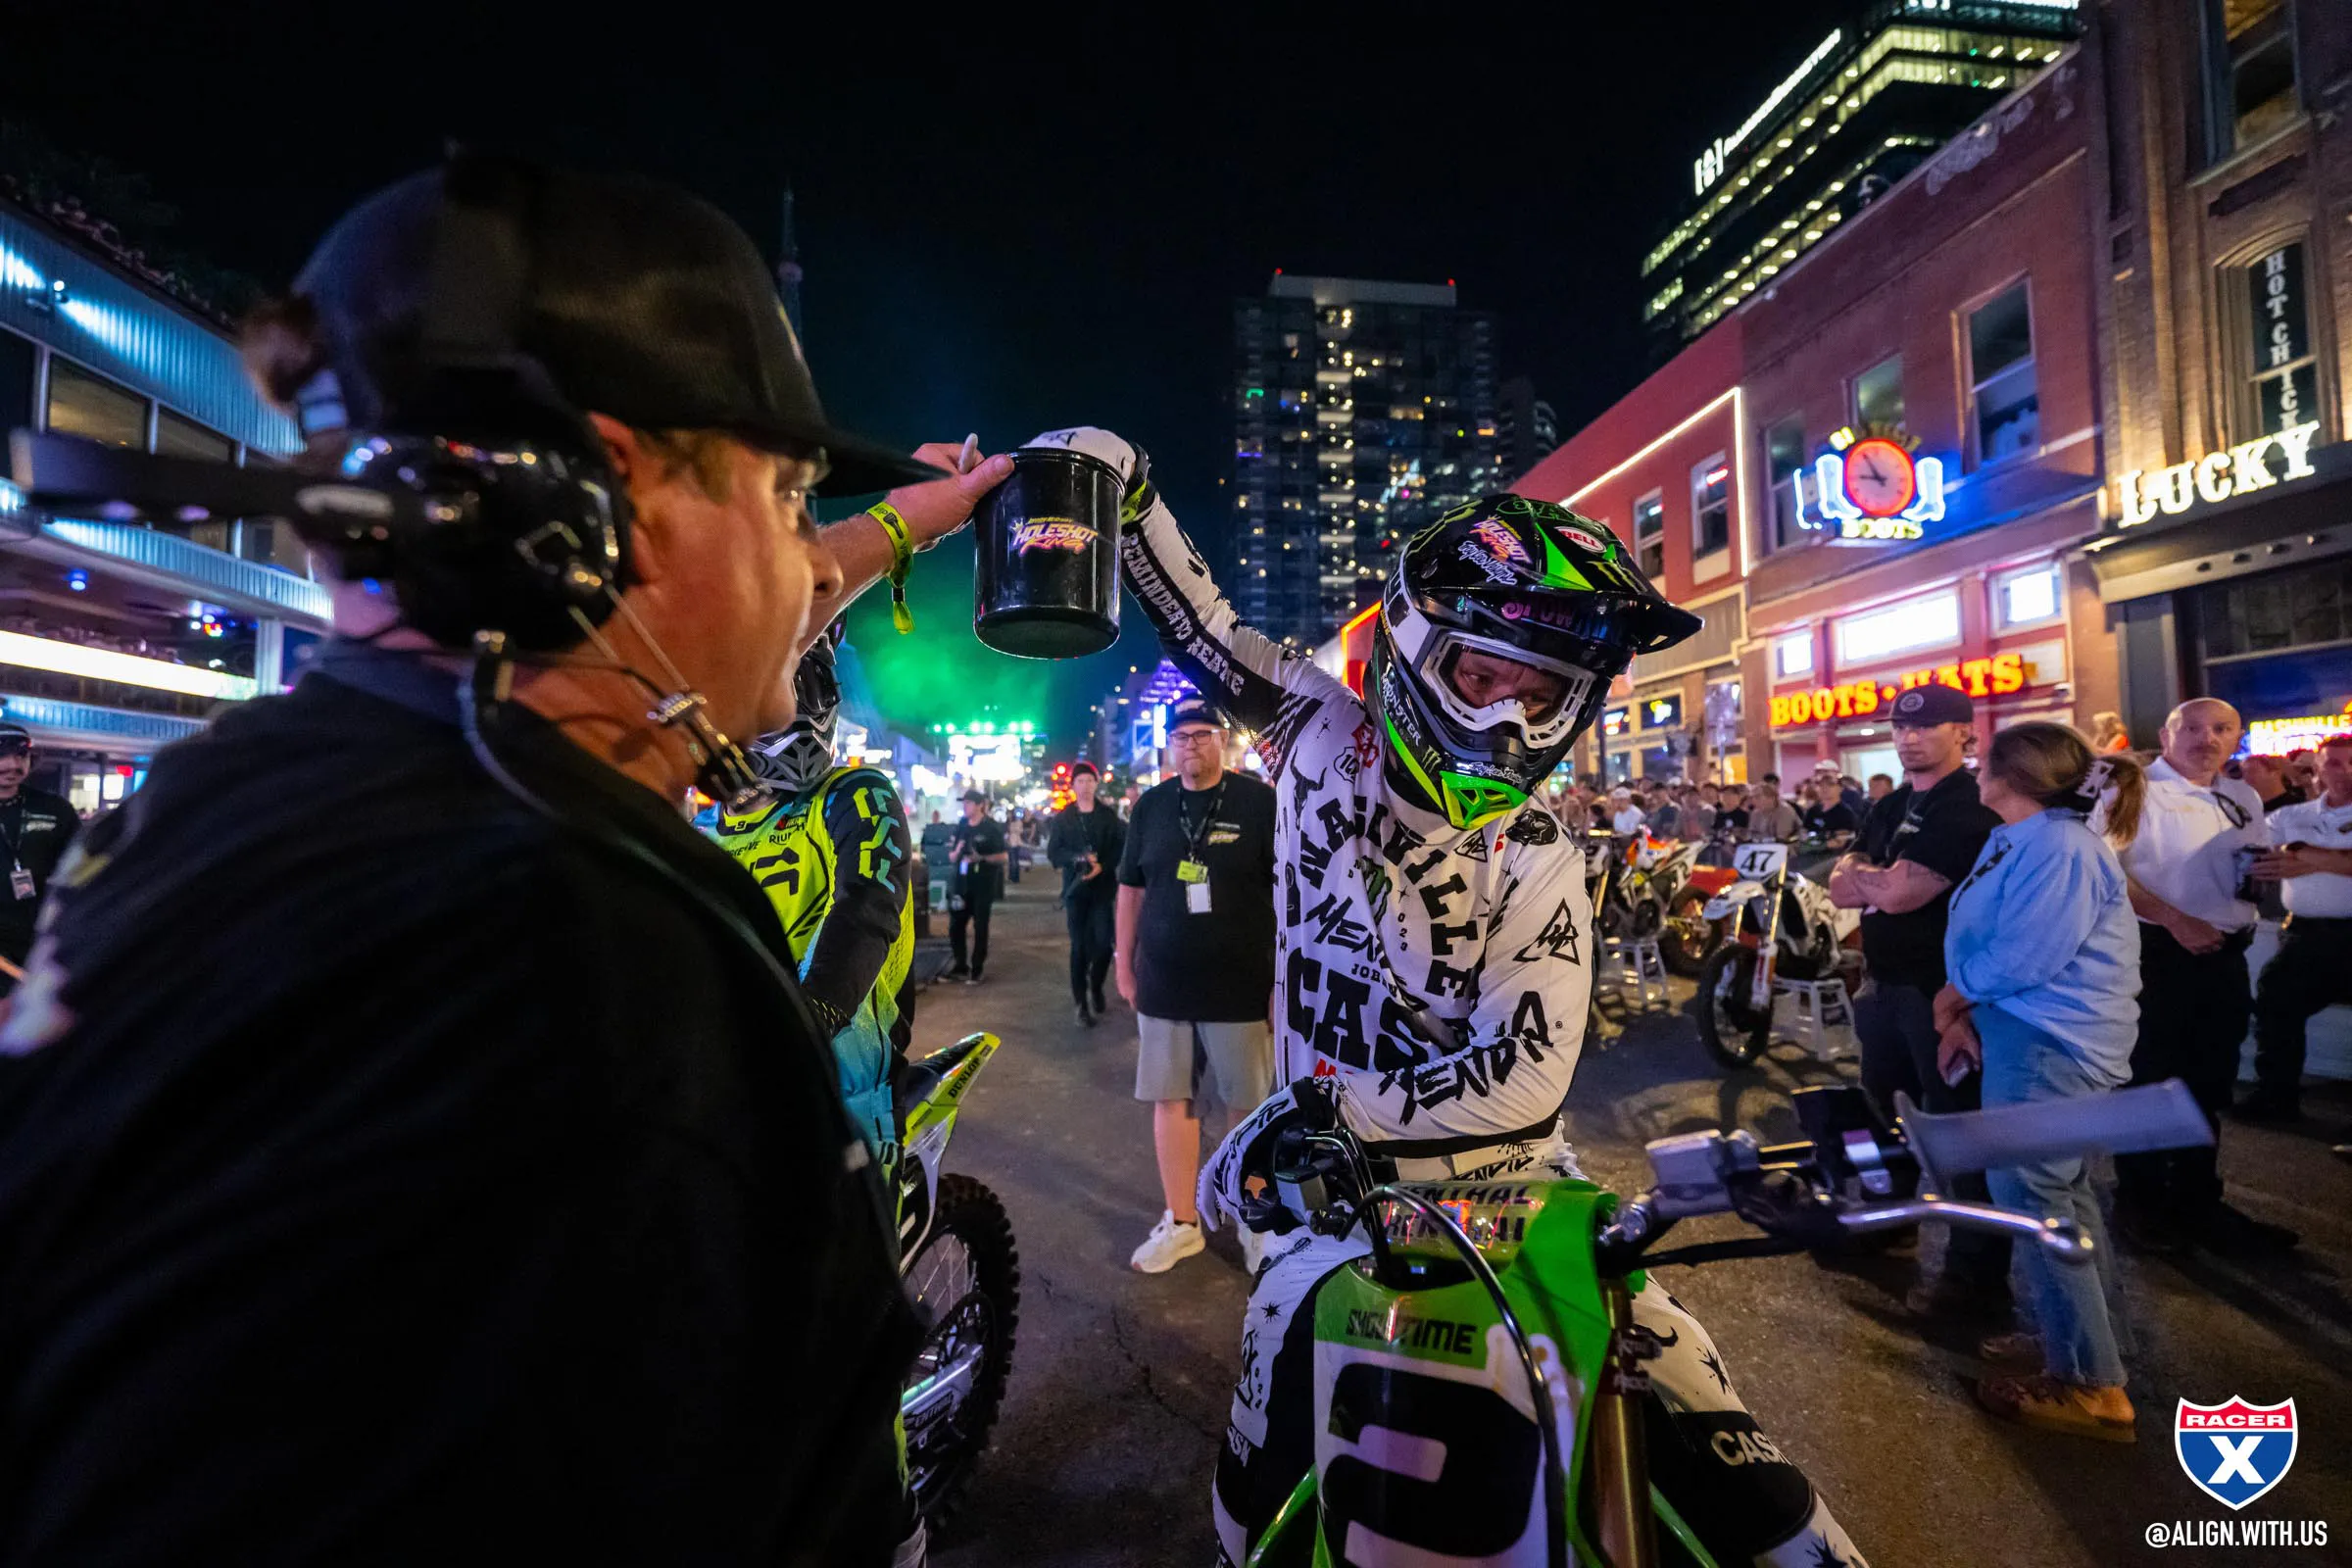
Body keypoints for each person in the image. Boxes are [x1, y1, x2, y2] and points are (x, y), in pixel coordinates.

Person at [0, 159, 1017, 1565]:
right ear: (600, 507)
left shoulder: (209, 804)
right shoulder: (586, 977)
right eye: (787, 502)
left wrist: (943, 505)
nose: (806, 574)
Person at [1069, 425, 1870, 1568]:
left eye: (1541, 691)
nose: (1506, 718)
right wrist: (1128, 483)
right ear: (1412, 648)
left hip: (1509, 1188)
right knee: (1254, 1518)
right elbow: (1203, 628)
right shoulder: (1314, 731)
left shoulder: (1539, 844)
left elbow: (1527, 1073)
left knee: (1748, 1483)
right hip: (1329, 1210)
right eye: (1483, 675)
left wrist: (1307, 1122)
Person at [1934, 723, 2145, 1442]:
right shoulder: (2024, 838)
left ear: (2011, 774)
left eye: (1983, 759)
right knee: (2061, 1195)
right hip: (2030, 1035)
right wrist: (1967, 1003)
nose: (1974, 768)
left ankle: (2091, 1384)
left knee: (2039, 1198)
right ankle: (2081, 1340)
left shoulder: (2060, 846)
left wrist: (1956, 993)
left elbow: (2028, 954)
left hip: (2055, 1043)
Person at [1829, 682, 2008, 1319]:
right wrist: (1872, 879)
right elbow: (1844, 870)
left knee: (1959, 1133)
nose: (1908, 737)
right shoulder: (1897, 800)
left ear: (1964, 733)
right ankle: (1890, 1223)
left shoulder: (1969, 806)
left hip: (1945, 997)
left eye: (1926, 727)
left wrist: (1869, 882)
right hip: (1884, 983)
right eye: (1900, 728)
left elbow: (1899, 893)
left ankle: (1974, 1275)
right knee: (1879, 1120)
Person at [711, 621, 914, 1175]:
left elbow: (866, 904)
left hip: (844, 1077)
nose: (797, 707)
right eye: (777, 688)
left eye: (811, 685)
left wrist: (814, 1013)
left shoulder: (854, 792)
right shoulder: (700, 829)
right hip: (728, 1074)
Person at [2104, 698, 2296, 1255]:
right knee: (2149, 1081)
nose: (2205, 738)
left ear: (2236, 738)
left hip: (2221, 954)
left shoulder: (2241, 794)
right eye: (2190, 727)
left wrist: (2264, 873)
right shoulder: (2133, 790)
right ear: (2166, 735)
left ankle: (2196, 1202)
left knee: (2208, 1082)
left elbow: (2237, 869)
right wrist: (2173, 918)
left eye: (2220, 729)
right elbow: (2104, 869)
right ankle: (2140, 1203)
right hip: (2157, 953)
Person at [1114, 698, 1279, 1273]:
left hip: (1241, 983)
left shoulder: (1261, 803)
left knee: (1248, 1107)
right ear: (1170, 745)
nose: (1192, 745)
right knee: (1173, 1101)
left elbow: (1288, 897)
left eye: (1203, 734)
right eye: (1181, 737)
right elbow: (1130, 889)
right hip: (1164, 982)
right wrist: (1124, 963)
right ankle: (1182, 1222)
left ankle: (1251, 1220)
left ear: (1224, 741)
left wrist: (1281, 981)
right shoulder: (1151, 808)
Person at [2243, 732, 2352, 1123]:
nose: (2345, 771)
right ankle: (2276, 1099)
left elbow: (2286, 856)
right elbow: (2255, 854)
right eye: (2336, 762)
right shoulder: (2291, 817)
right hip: (2306, 935)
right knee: (2276, 1006)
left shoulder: (2294, 829)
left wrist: (2305, 854)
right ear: (2317, 766)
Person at [0, 724, 79, 996]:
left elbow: (78, 871)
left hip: (39, 938)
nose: (12, 764)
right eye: (1, 755)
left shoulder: (54, 809)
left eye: (21, 756)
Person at [1049, 760, 1125, 1025]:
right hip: (1076, 891)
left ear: (1096, 783)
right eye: (1080, 781)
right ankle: (1080, 1003)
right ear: (1073, 786)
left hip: (1103, 889)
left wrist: (1103, 865)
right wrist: (1077, 859)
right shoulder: (1064, 818)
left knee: (1104, 945)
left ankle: (1096, 986)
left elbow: (1120, 846)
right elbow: (1054, 852)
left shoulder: (1108, 815)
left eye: (1089, 781)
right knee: (1079, 947)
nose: (1085, 786)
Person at [944, 789, 1006, 984]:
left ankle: (977, 967)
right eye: (964, 803)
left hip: (983, 884)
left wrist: (982, 858)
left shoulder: (991, 827)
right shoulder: (962, 825)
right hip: (962, 884)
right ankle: (960, 965)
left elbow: (1003, 856)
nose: (965, 806)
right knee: (956, 925)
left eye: (969, 803)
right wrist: (957, 852)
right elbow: (952, 855)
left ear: (980, 805)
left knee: (980, 926)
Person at [2235, 753, 2302, 814]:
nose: (2245, 778)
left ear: (2274, 771)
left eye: (2251, 771)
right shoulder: (2250, 814)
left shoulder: (2299, 806)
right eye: (2243, 773)